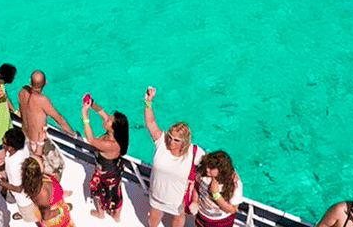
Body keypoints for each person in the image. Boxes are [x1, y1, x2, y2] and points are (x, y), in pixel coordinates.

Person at [143, 86, 204, 227]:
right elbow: (150, 123)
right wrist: (148, 102)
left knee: (178, 220)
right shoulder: (161, 142)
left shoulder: (194, 151)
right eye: (170, 137)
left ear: (185, 141)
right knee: (152, 220)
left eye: (176, 140)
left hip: (178, 202)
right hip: (156, 197)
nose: (171, 141)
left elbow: (211, 165)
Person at [17, 70, 77, 180]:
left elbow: (21, 111)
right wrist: (73, 134)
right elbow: (60, 120)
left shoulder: (22, 91)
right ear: (45, 82)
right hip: (39, 142)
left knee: (38, 165)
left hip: (25, 136)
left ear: (30, 81)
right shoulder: (42, 100)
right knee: (58, 165)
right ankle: (54, 192)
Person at [81, 94, 129, 220]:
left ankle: (114, 215)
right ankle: (106, 214)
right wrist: (91, 103)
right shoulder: (112, 132)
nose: (106, 119)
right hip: (108, 169)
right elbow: (100, 111)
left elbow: (91, 140)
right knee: (115, 193)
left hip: (108, 174)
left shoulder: (111, 144)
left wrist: (85, 116)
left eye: (108, 120)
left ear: (114, 129)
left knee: (107, 194)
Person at [0, 127, 38, 222]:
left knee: (33, 218)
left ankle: (26, 215)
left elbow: (18, 188)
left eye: (4, 142)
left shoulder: (14, 166)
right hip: (31, 188)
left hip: (25, 200)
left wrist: (1, 182)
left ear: (11, 147)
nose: (2, 143)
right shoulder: (23, 147)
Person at [191, 151, 243, 227]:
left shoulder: (234, 184)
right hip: (201, 216)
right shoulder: (203, 173)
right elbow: (197, 187)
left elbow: (232, 210)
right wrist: (194, 201)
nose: (207, 169)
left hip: (221, 222)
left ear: (221, 169)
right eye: (207, 166)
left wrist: (215, 194)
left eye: (212, 168)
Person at [21, 156, 73, 227]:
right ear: (37, 170)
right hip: (56, 219)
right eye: (41, 160)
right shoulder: (42, 192)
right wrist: (63, 209)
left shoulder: (36, 177)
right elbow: (46, 215)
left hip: (55, 205)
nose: (44, 159)